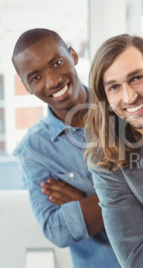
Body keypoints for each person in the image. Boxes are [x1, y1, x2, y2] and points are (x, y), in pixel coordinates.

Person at [11, 28, 120, 267]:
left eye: (57, 62)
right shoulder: (33, 150)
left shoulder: (121, 109)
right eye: (36, 77)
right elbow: (56, 230)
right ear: (26, 85)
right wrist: (125, 196)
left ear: (73, 55)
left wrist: (85, 203)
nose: (52, 81)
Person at [85, 34, 143, 267]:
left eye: (137, 78)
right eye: (114, 87)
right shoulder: (107, 162)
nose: (130, 96)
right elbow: (137, 258)